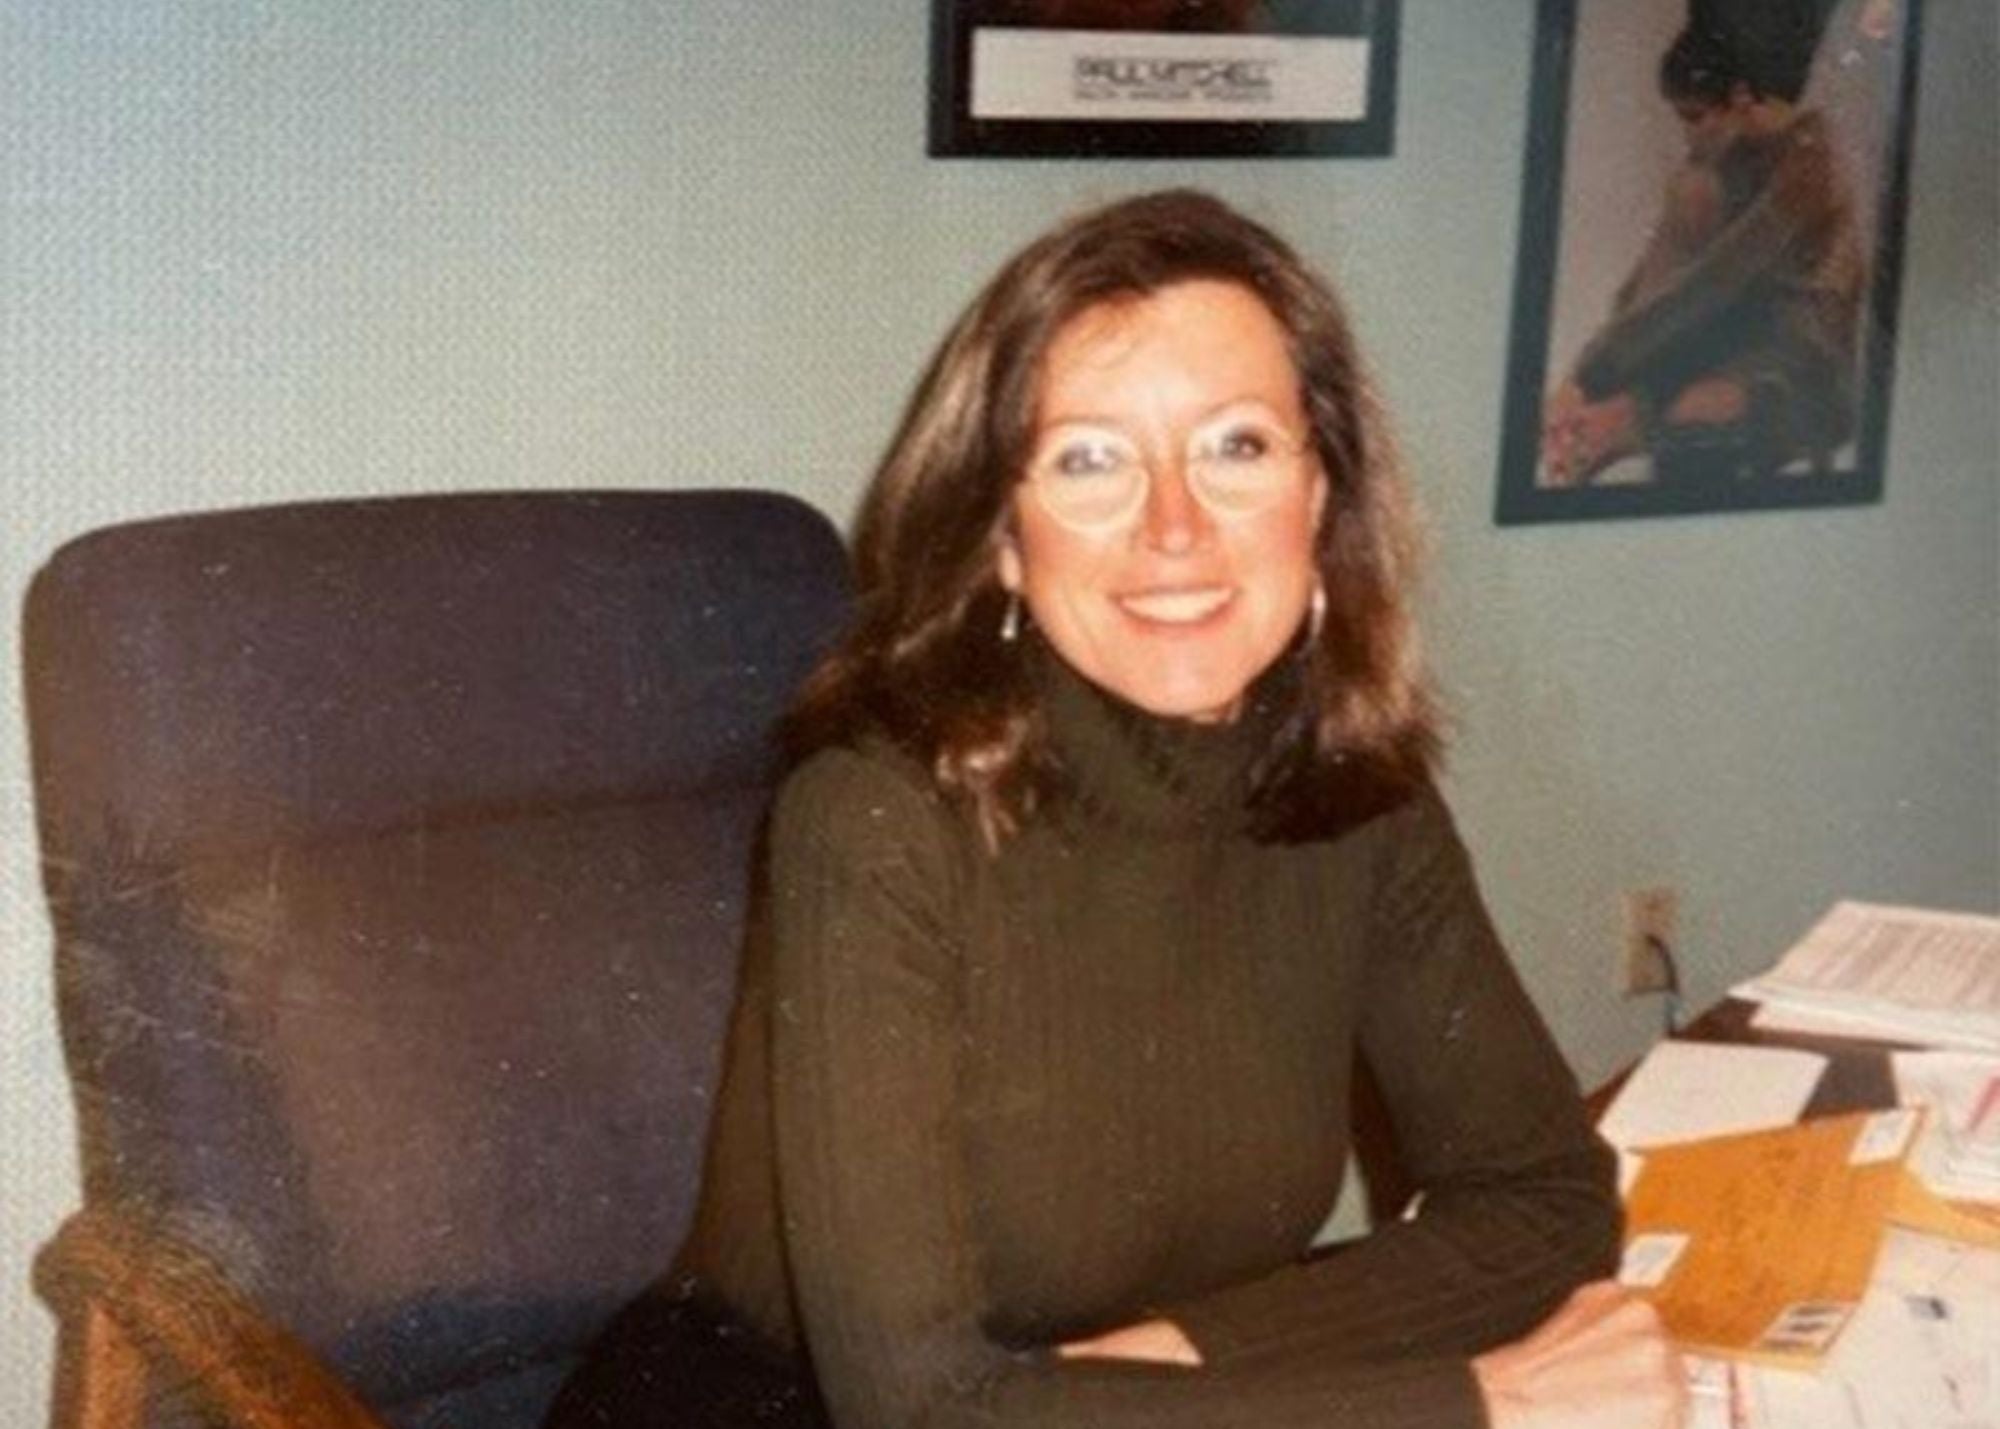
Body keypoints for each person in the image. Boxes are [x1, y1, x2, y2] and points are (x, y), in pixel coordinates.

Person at [546, 190, 1685, 1429]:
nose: (1174, 528)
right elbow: (921, 1410)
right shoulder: (874, 821)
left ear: (1320, 493)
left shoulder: (1354, 794)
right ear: (1003, 536)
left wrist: (1170, 1358)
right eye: (1089, 459)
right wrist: (1477, 1404)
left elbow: (1545, 1198)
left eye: (1235, 446)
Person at [1542, 24, 1865, 487]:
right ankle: (1599, 424)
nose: (1690, 136)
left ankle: (1612, 429)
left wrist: (1598, 370)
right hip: (1730, 331)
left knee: (1666, 405)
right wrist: (1586, 376)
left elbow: (1718, 278)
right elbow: (1652, 281)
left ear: (1739, 97)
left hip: (1800, 360)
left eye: (1695, 118)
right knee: (1691, 194)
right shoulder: (1729, 161)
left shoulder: (1809, 165)